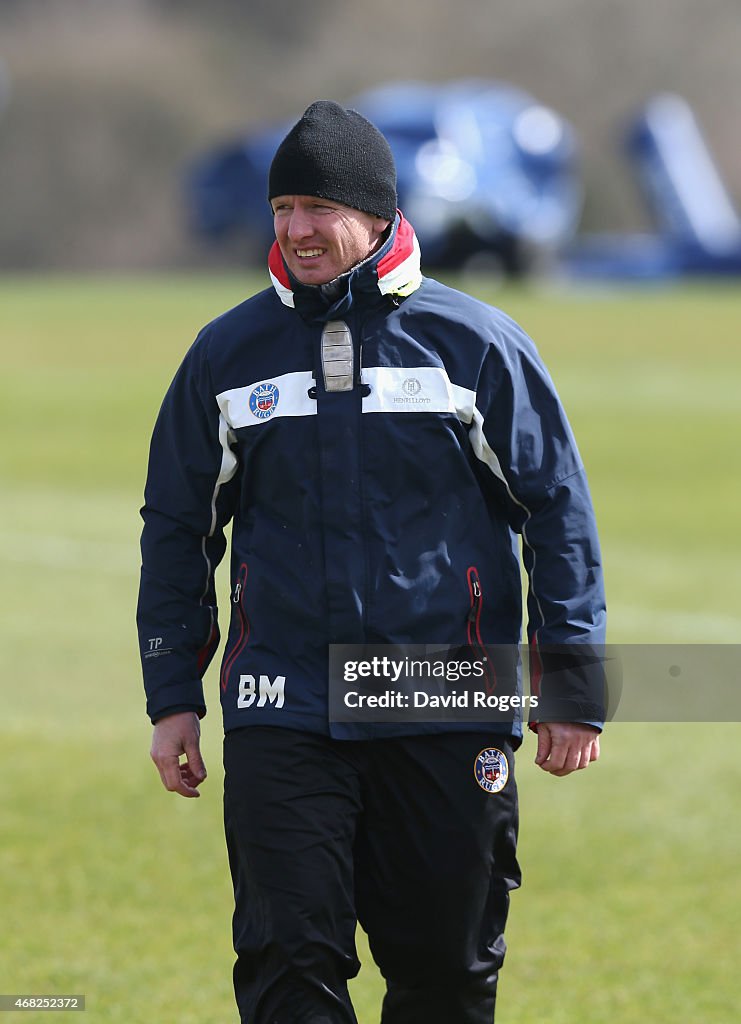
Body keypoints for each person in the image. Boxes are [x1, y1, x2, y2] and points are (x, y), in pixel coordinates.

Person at [137, 100, 606, 1024]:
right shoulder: (226, 355)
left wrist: (574, 687)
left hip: (440, 698)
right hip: (283, 707)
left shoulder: (477, 346)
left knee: (444, 978)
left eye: (317, 207)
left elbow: (556, 512)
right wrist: (173, 697)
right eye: (281, 211)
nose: (297, 229)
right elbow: (177, 527)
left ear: (378, 214)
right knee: (287, 968)